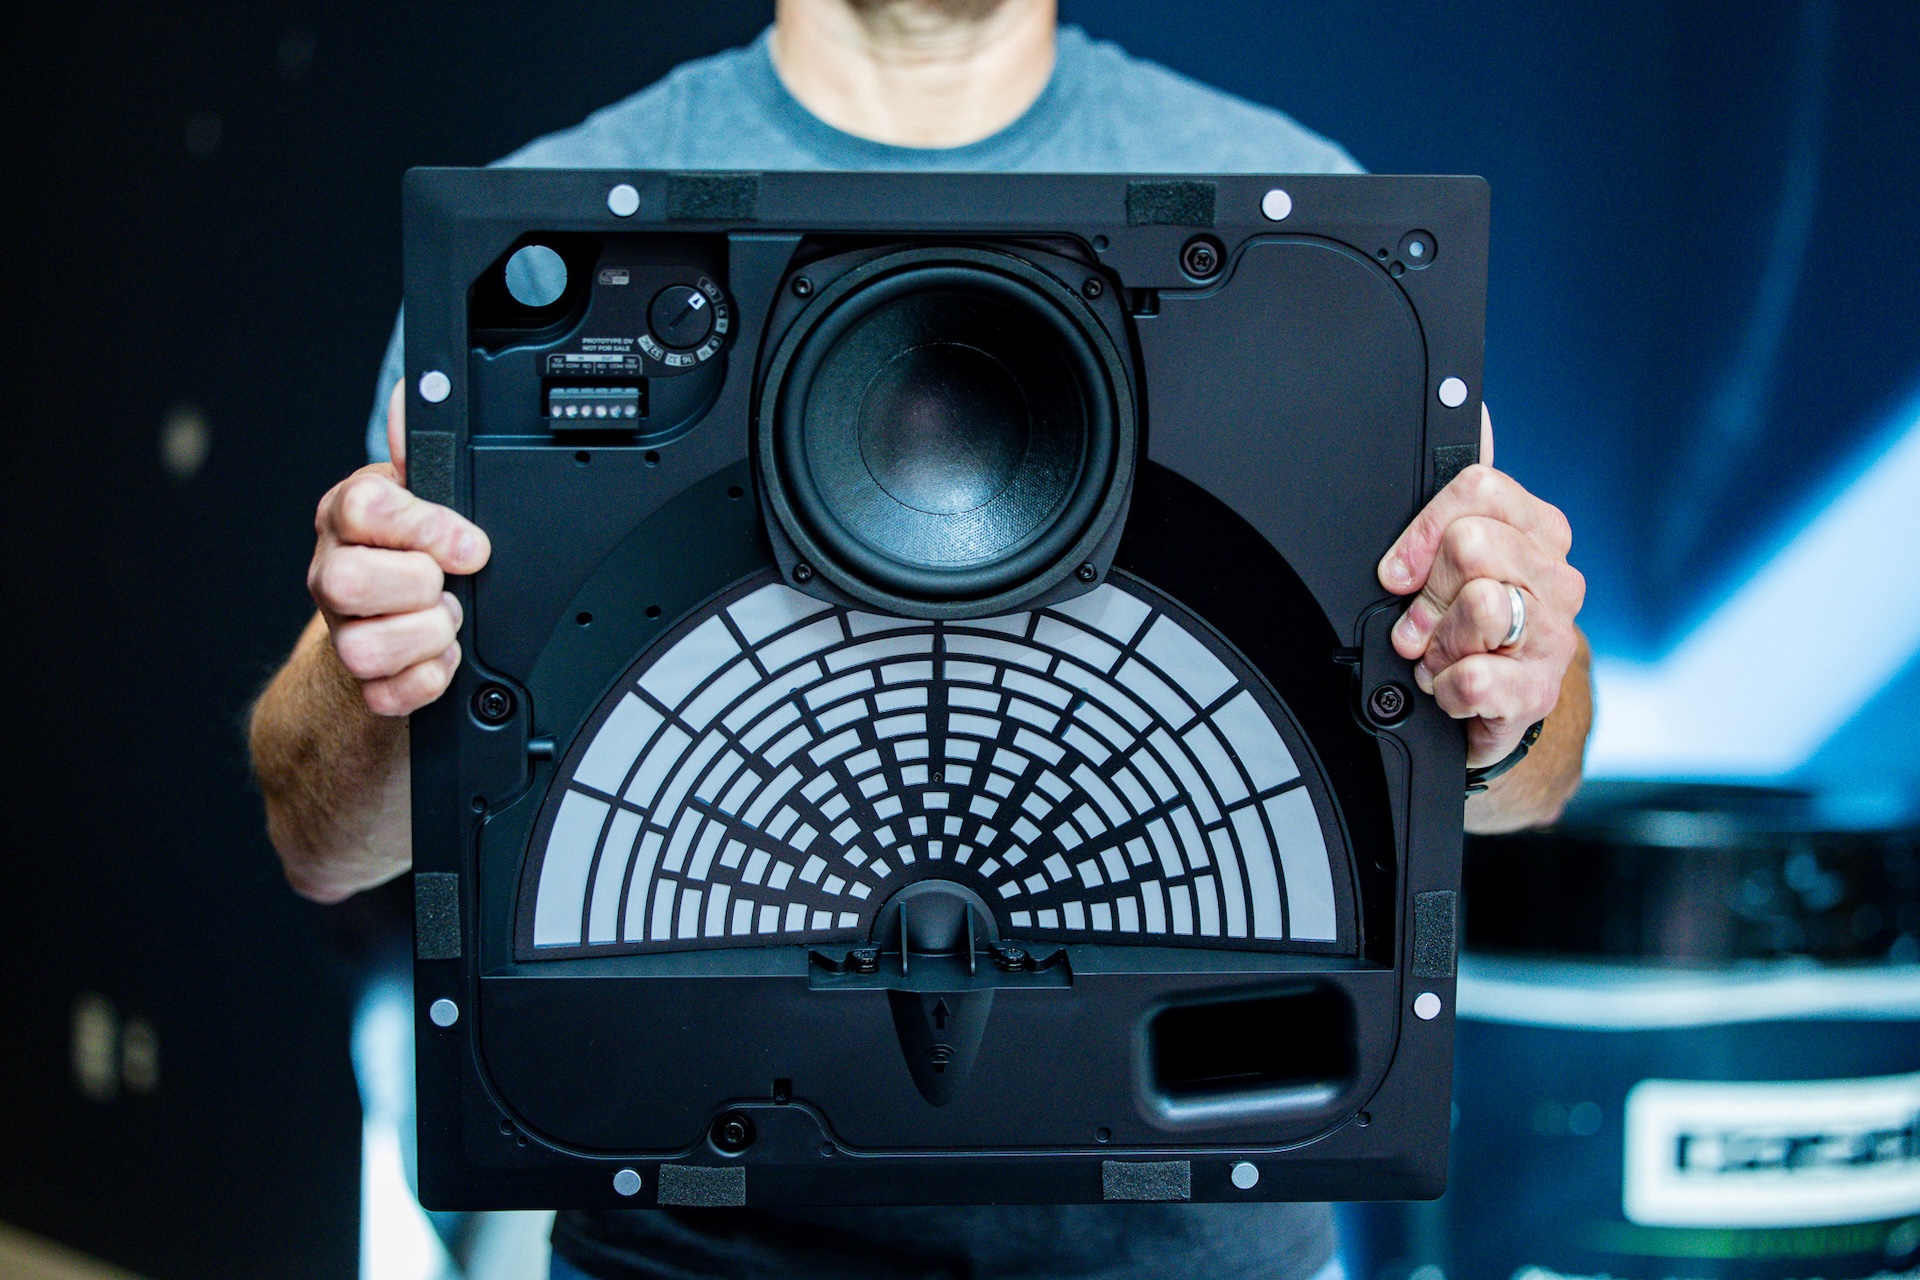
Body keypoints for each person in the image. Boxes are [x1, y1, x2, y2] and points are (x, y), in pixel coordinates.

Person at [249, 1, 1592, 1276]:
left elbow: (1526, 775)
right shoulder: (542, 220)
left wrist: (1506, 677)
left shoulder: (1308, 215)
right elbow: (321, 843)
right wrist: (372, 669)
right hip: (686, 1250)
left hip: (1196, 1244)